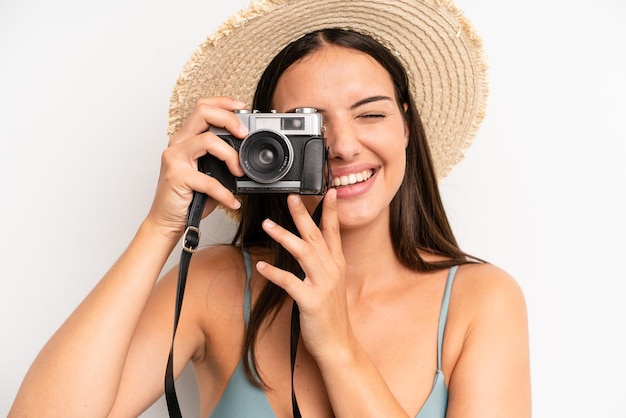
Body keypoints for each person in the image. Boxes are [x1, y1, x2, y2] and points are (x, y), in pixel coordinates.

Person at [9, 0, 531, 417]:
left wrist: (337, 344)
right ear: (263, 147)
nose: (344, 146)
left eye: (370, 113)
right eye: (309, 125)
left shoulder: (480, 301)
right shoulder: (215, 284)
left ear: (407, 128)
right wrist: (162, 227)